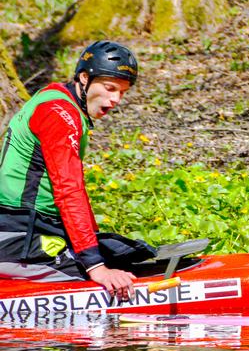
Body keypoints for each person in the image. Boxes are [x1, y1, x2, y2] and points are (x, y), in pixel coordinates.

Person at [0, 41, 142, 300]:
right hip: (19, 234)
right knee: (89, 272)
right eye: (110, 88)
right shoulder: (58, 113)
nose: (115, 100)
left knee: (125, 253)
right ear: (85, 79)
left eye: (122, 92)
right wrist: (96, 267)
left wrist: (95, 246)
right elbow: (69, 190)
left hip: (39, 227)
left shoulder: (63, 102)